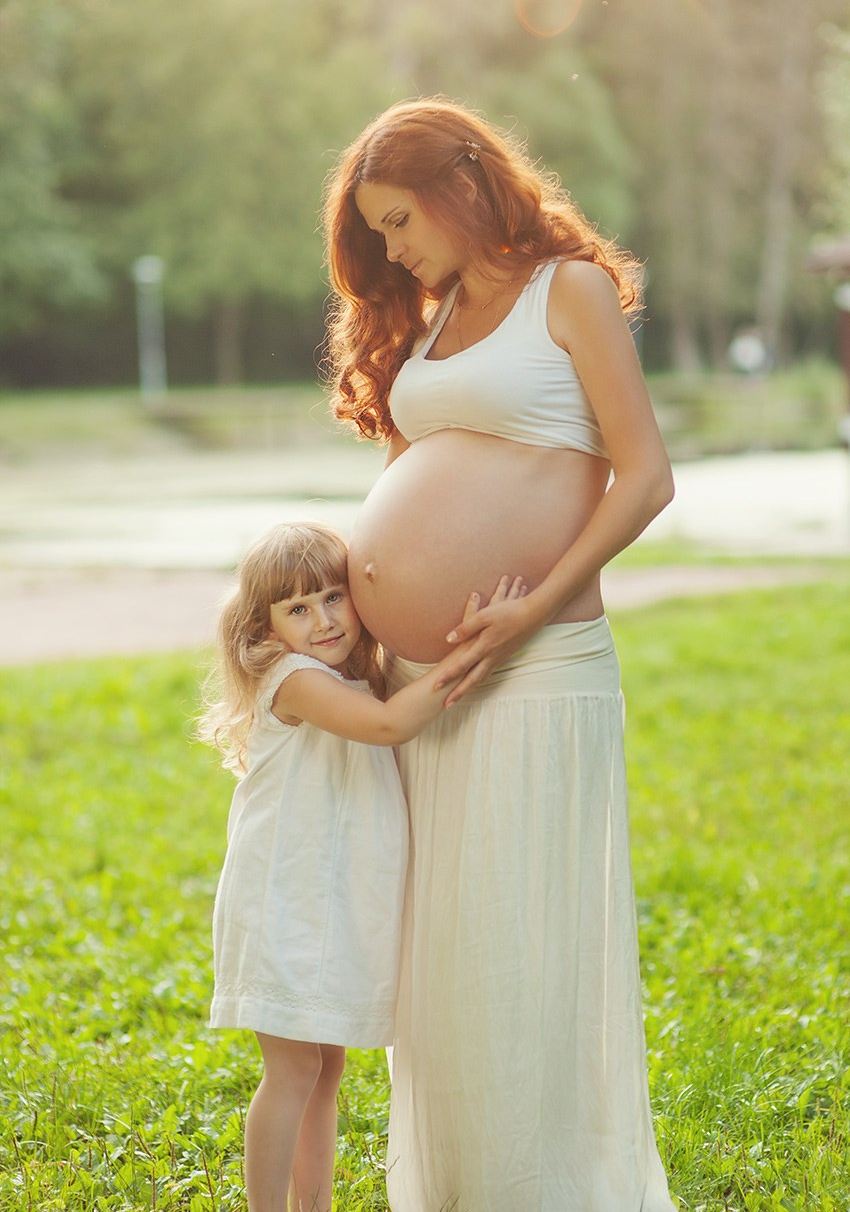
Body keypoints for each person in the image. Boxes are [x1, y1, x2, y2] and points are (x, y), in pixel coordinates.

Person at [322, 96, 678, 1211]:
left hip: (536, 668)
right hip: (422, 689)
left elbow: (645, 477)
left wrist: (527, 612)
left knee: (522, 947)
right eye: (376, 232)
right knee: (443, 962)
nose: (391, 249)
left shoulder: (565, 291)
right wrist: (354, 622)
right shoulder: (428, 322)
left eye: (399, 220)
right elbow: (410, 477)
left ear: (465, 185)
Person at [198, 520, 523, 1212]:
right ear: (264, 627)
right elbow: (389, 725)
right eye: (297, 608)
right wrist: (478, 650)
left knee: (325, 1069)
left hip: (325, 905)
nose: (323, 620)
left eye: (333, 596)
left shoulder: (346, 675)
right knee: (293, 1069)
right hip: (285, 905)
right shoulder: (292, 678)